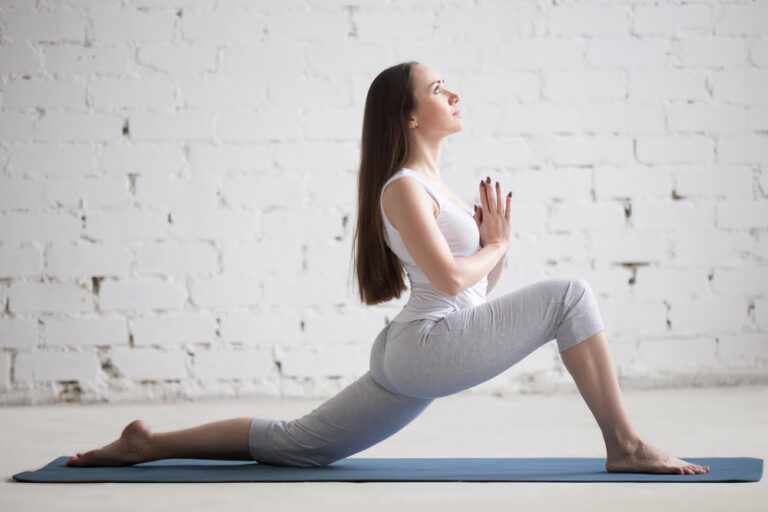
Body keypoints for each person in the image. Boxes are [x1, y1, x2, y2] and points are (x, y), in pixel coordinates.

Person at [66, 61, 709, 475]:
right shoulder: (402, 187)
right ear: (408, 114)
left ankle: (147, 443)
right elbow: (456, 282)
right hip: (426, 347)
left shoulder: (437, 187)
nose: (453, 93)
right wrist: (497, 244)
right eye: (437, 90)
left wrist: (495, 248)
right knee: (572, 295)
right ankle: (625, 445)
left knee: (299, 443)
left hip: (425, 348)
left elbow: (473, 294)